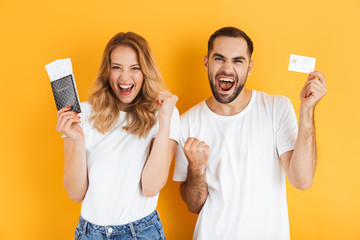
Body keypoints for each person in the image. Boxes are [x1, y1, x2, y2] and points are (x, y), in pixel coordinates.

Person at [173, 27, 328, 239]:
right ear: (206, 63)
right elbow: (194, 206)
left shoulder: (276, 108)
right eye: (219, 58)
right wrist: (197, 168)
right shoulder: (186, 124)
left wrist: (307, 109)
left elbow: (302, 180)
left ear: (249, 67)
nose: (227, 68)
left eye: (238, 60)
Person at [56, 32, 179, 240]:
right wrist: (77, 141)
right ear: (107, 71)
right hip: (90, 233)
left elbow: (151, 187)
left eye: (135, 68)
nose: (125, 77)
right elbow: (75, 194)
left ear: (145, 71)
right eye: (116, 67)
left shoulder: (164, 113)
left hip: (141, 233)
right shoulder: (82, 114)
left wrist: (165, 120)